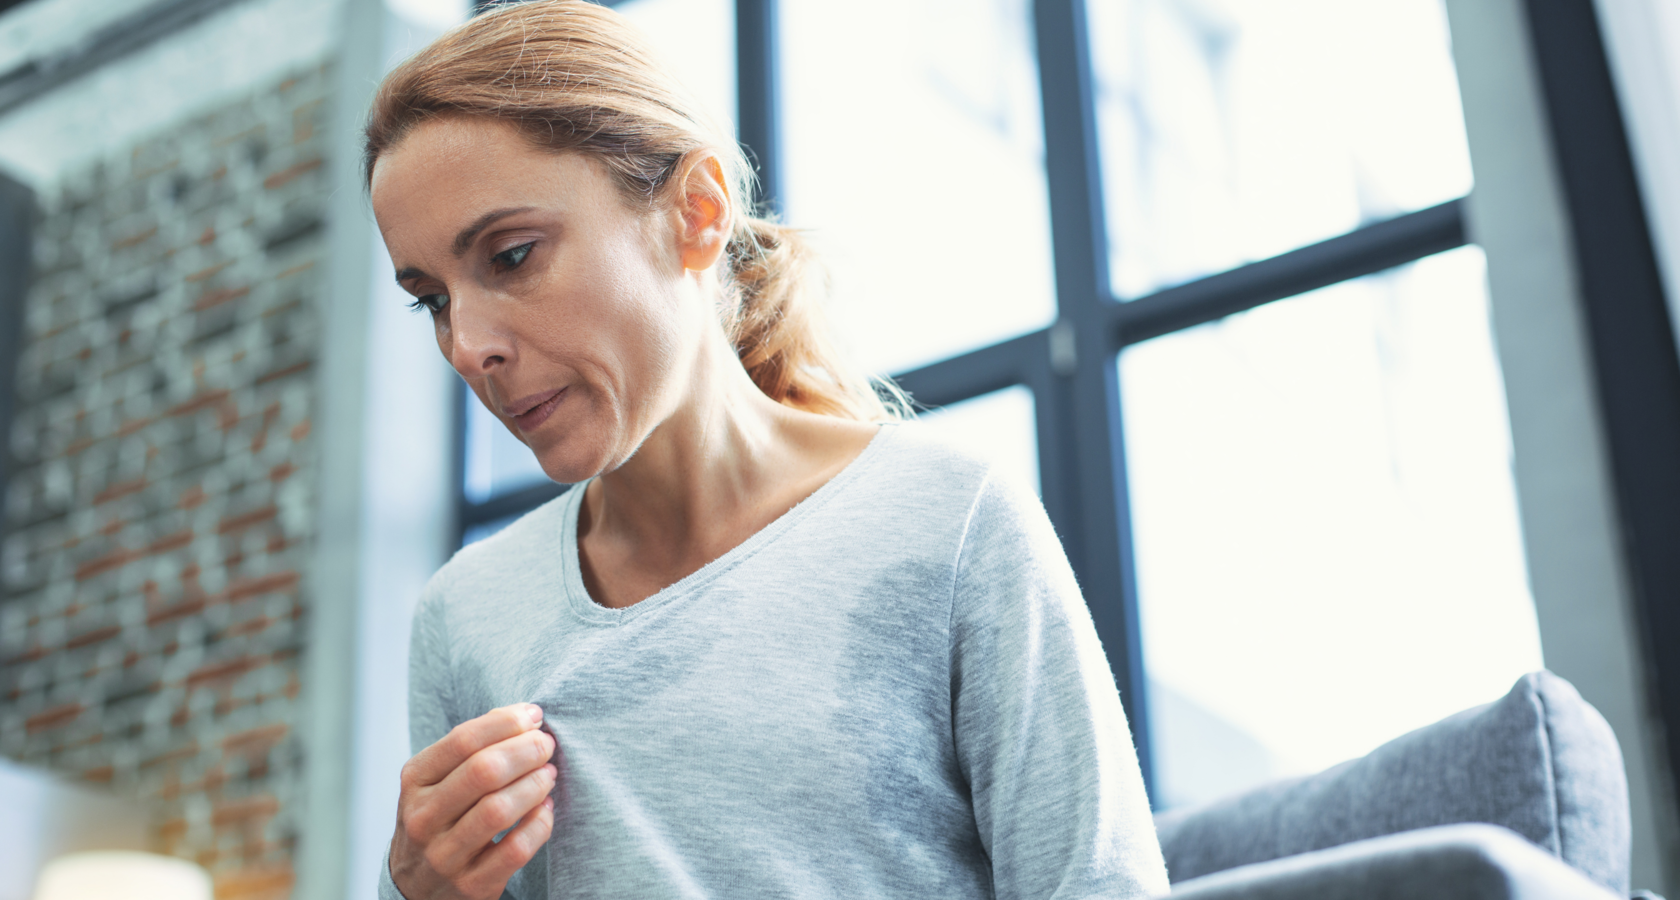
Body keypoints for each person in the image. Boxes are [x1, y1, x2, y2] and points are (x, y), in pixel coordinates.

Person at [365, 2, 1166, 898]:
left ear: (697, 214)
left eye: (510, 257)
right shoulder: (465, 616)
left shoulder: (949, 522)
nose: (468, 345)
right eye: (431, 298)